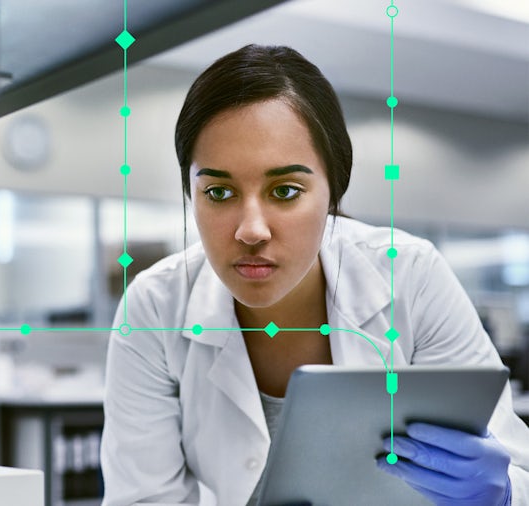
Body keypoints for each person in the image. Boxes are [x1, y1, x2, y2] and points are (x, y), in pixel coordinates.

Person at [100, 44, 529, 506]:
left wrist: (502, 495)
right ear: (191, 193)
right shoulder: (153, 307)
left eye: (285, 190)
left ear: (333, 191)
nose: (251, 230)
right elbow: (142, 500)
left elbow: (515, 467)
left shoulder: (411, 276)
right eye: (218, 192)